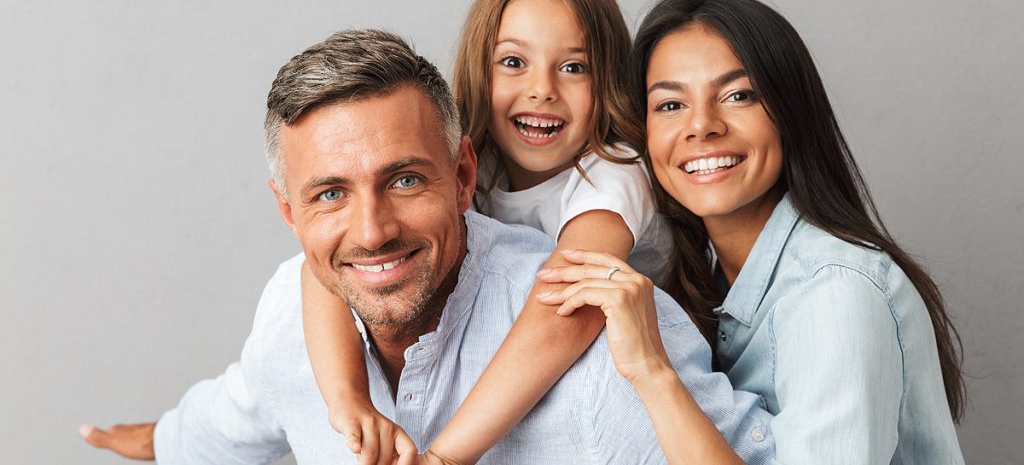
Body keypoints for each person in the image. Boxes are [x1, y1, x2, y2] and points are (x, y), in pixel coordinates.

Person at [79, 28, 776, 464]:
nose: (373, 228)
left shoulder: (606, 352)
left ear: (463, 174)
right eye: (329, 194)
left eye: (404, 178)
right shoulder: (294, 312)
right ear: (288, 212)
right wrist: (160, 439)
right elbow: (232, 416)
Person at [538, 0, 967, 463]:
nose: (702, 126)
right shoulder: (706, 276)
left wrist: (652, 369)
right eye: (670, 105)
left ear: (790, 113)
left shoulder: (835, 292)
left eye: (738, 96)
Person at [301, 0, 677, 464]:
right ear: (481, 71)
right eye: (514, 63)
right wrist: (347, 400)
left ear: (606, 82)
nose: (542, 89)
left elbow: (566, 308)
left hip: (623, 386)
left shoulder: (614, 171)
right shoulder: (469, 167)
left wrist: (446, 457)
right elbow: (319, 273)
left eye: (573, 67)